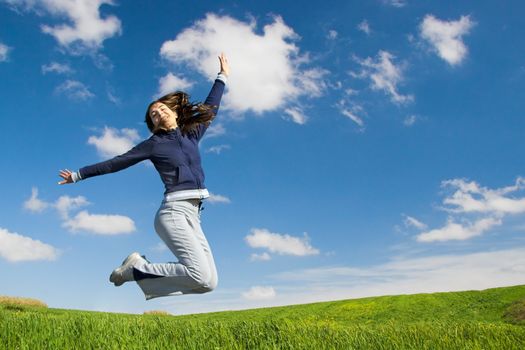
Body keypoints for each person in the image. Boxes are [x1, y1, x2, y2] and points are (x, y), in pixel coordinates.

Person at [58, 53, 230, 300]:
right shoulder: (153, 144)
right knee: (200, 275)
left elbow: (210, 107)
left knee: (208, 283)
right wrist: (78, 175)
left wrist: (222, 76)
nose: (158, 112)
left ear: (173, 111)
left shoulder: (191, 135)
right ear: (153, 124)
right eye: (153, 114)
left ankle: (137, 272)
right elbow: (115, 163)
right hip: (174, 212)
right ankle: (137, 269)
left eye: (161, 108)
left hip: (194, 214)